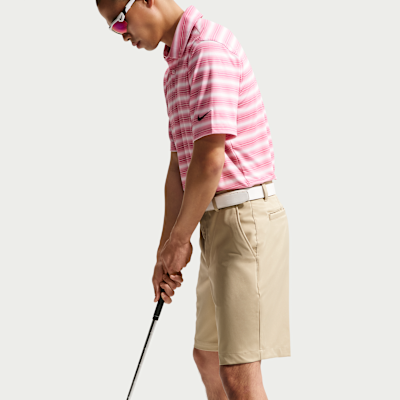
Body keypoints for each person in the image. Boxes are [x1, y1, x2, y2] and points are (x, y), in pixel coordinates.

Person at [97, 1, 290, 398]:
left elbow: (209, 161)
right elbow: (180, 168)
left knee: (238, 374)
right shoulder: (175, 70)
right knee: (207, 356)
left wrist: (180, 240)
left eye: (119, 21)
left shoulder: (208, 51)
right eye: (113, 28)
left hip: (245, 222)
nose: (122, 35)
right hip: (213, 222)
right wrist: (165, 249)